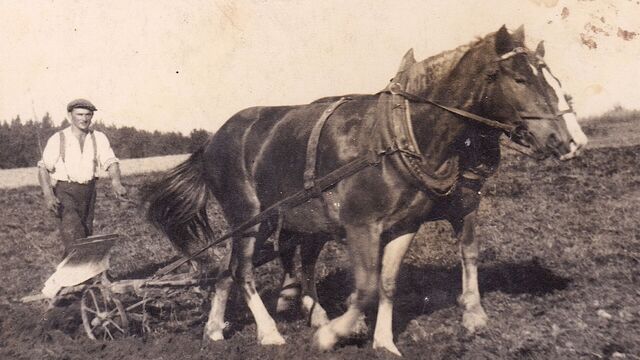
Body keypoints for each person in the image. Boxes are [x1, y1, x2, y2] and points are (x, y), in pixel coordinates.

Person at [38, 98, 127, 258]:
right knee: (73, 232)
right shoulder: (58, 138)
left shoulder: (98, 138)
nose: (84, 118)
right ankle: (78, 275)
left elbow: (111, 162)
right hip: (65, 192)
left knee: (85, 233)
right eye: (79, 114)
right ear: (70, 115)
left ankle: (72, 276)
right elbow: (43, 168)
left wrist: (116, 182)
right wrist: (48, 195)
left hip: (89, 191)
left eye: (88, 115)